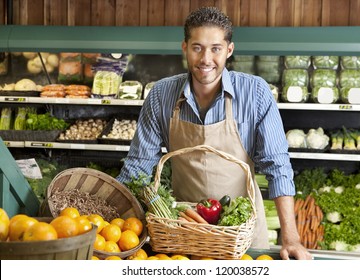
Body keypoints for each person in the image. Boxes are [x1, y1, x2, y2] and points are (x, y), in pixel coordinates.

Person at [117, 6, 312, 260]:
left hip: (240, 233)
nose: (206, 59)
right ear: (184, 47)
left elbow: (278, 167)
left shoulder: (255, 93)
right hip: (184, 230)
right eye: (197, 47)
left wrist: (291, 238)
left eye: (215, 49)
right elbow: (138, 168)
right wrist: (110, 220)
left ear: (229, 50)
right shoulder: (161, 96)